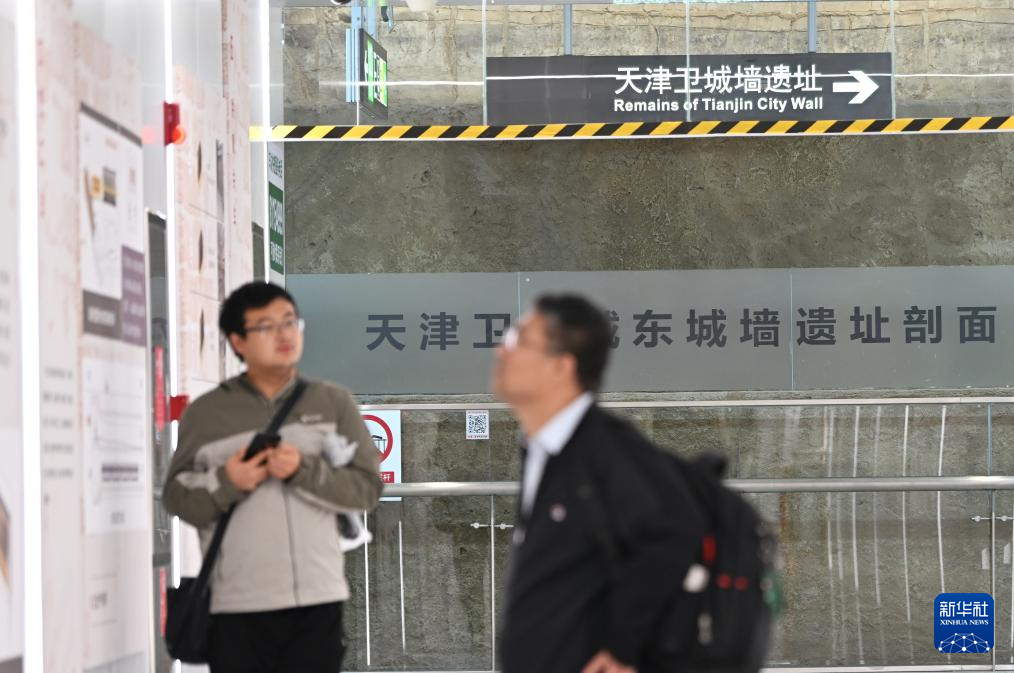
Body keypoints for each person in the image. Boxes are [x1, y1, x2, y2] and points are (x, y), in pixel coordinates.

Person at [163, 282, 383, 673]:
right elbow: (177, 498)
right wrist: (227, 481)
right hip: (237, 605)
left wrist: (303, 470)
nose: (285, 335)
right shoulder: (207, 414)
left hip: (317, 600)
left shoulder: (332, 403)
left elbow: (366, 489)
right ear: (238, 341)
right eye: (267, 326)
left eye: (290, 322)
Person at [493, 294, 706, 673]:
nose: (502, 351)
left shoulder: (605, 448)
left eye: (520, 341)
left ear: (561, 367)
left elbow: (678, 530)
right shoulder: (546, 447)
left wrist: (622, 647)